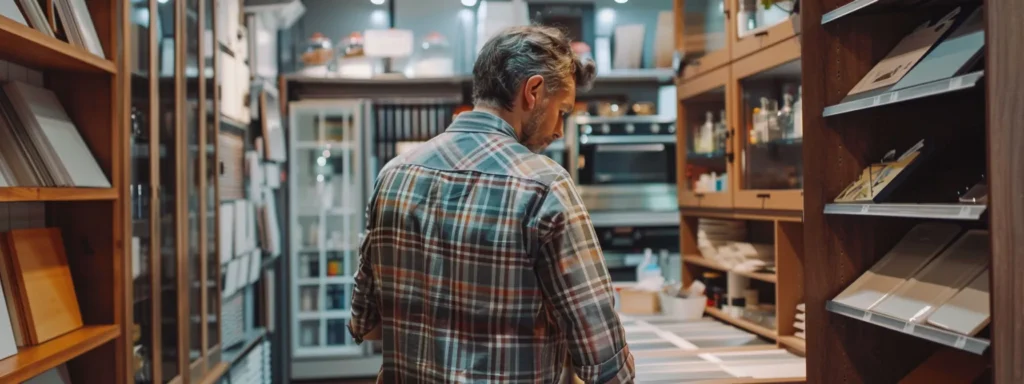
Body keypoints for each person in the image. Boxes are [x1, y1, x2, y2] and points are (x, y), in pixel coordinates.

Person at [349, 25, 634, 384]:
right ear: (532, 91)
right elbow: (603, 358)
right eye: (561, 111)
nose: (560, 130)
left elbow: (367, 324)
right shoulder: (544, 186)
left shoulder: (393, 175)